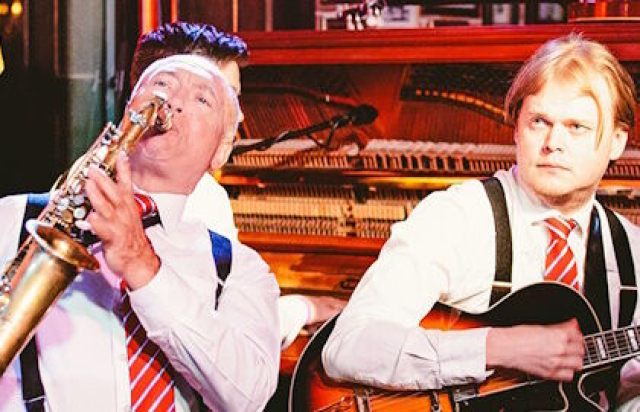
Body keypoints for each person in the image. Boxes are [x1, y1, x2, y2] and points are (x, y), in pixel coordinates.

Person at [322, 34, 640, 410]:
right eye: (539, 121)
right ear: (516, 127)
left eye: (576, 127)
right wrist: (496, 347)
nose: (553, 142)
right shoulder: (457, 218)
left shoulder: (632, 250)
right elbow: (349, 346)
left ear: (617, 141)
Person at [0, 54, 280, 410]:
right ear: (128, 112)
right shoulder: (14, 217)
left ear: (221, 151)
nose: (172, 101)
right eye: (161, 84)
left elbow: (248, 396)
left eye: (202, 99)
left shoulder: (240, 268)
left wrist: (142, 265)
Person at [129, 21, 345, 349]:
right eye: (221, 97)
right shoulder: (202, 198)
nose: (240, 116)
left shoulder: (199, 191)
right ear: (162, 105)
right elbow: (216, 338)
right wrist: (303, 308)